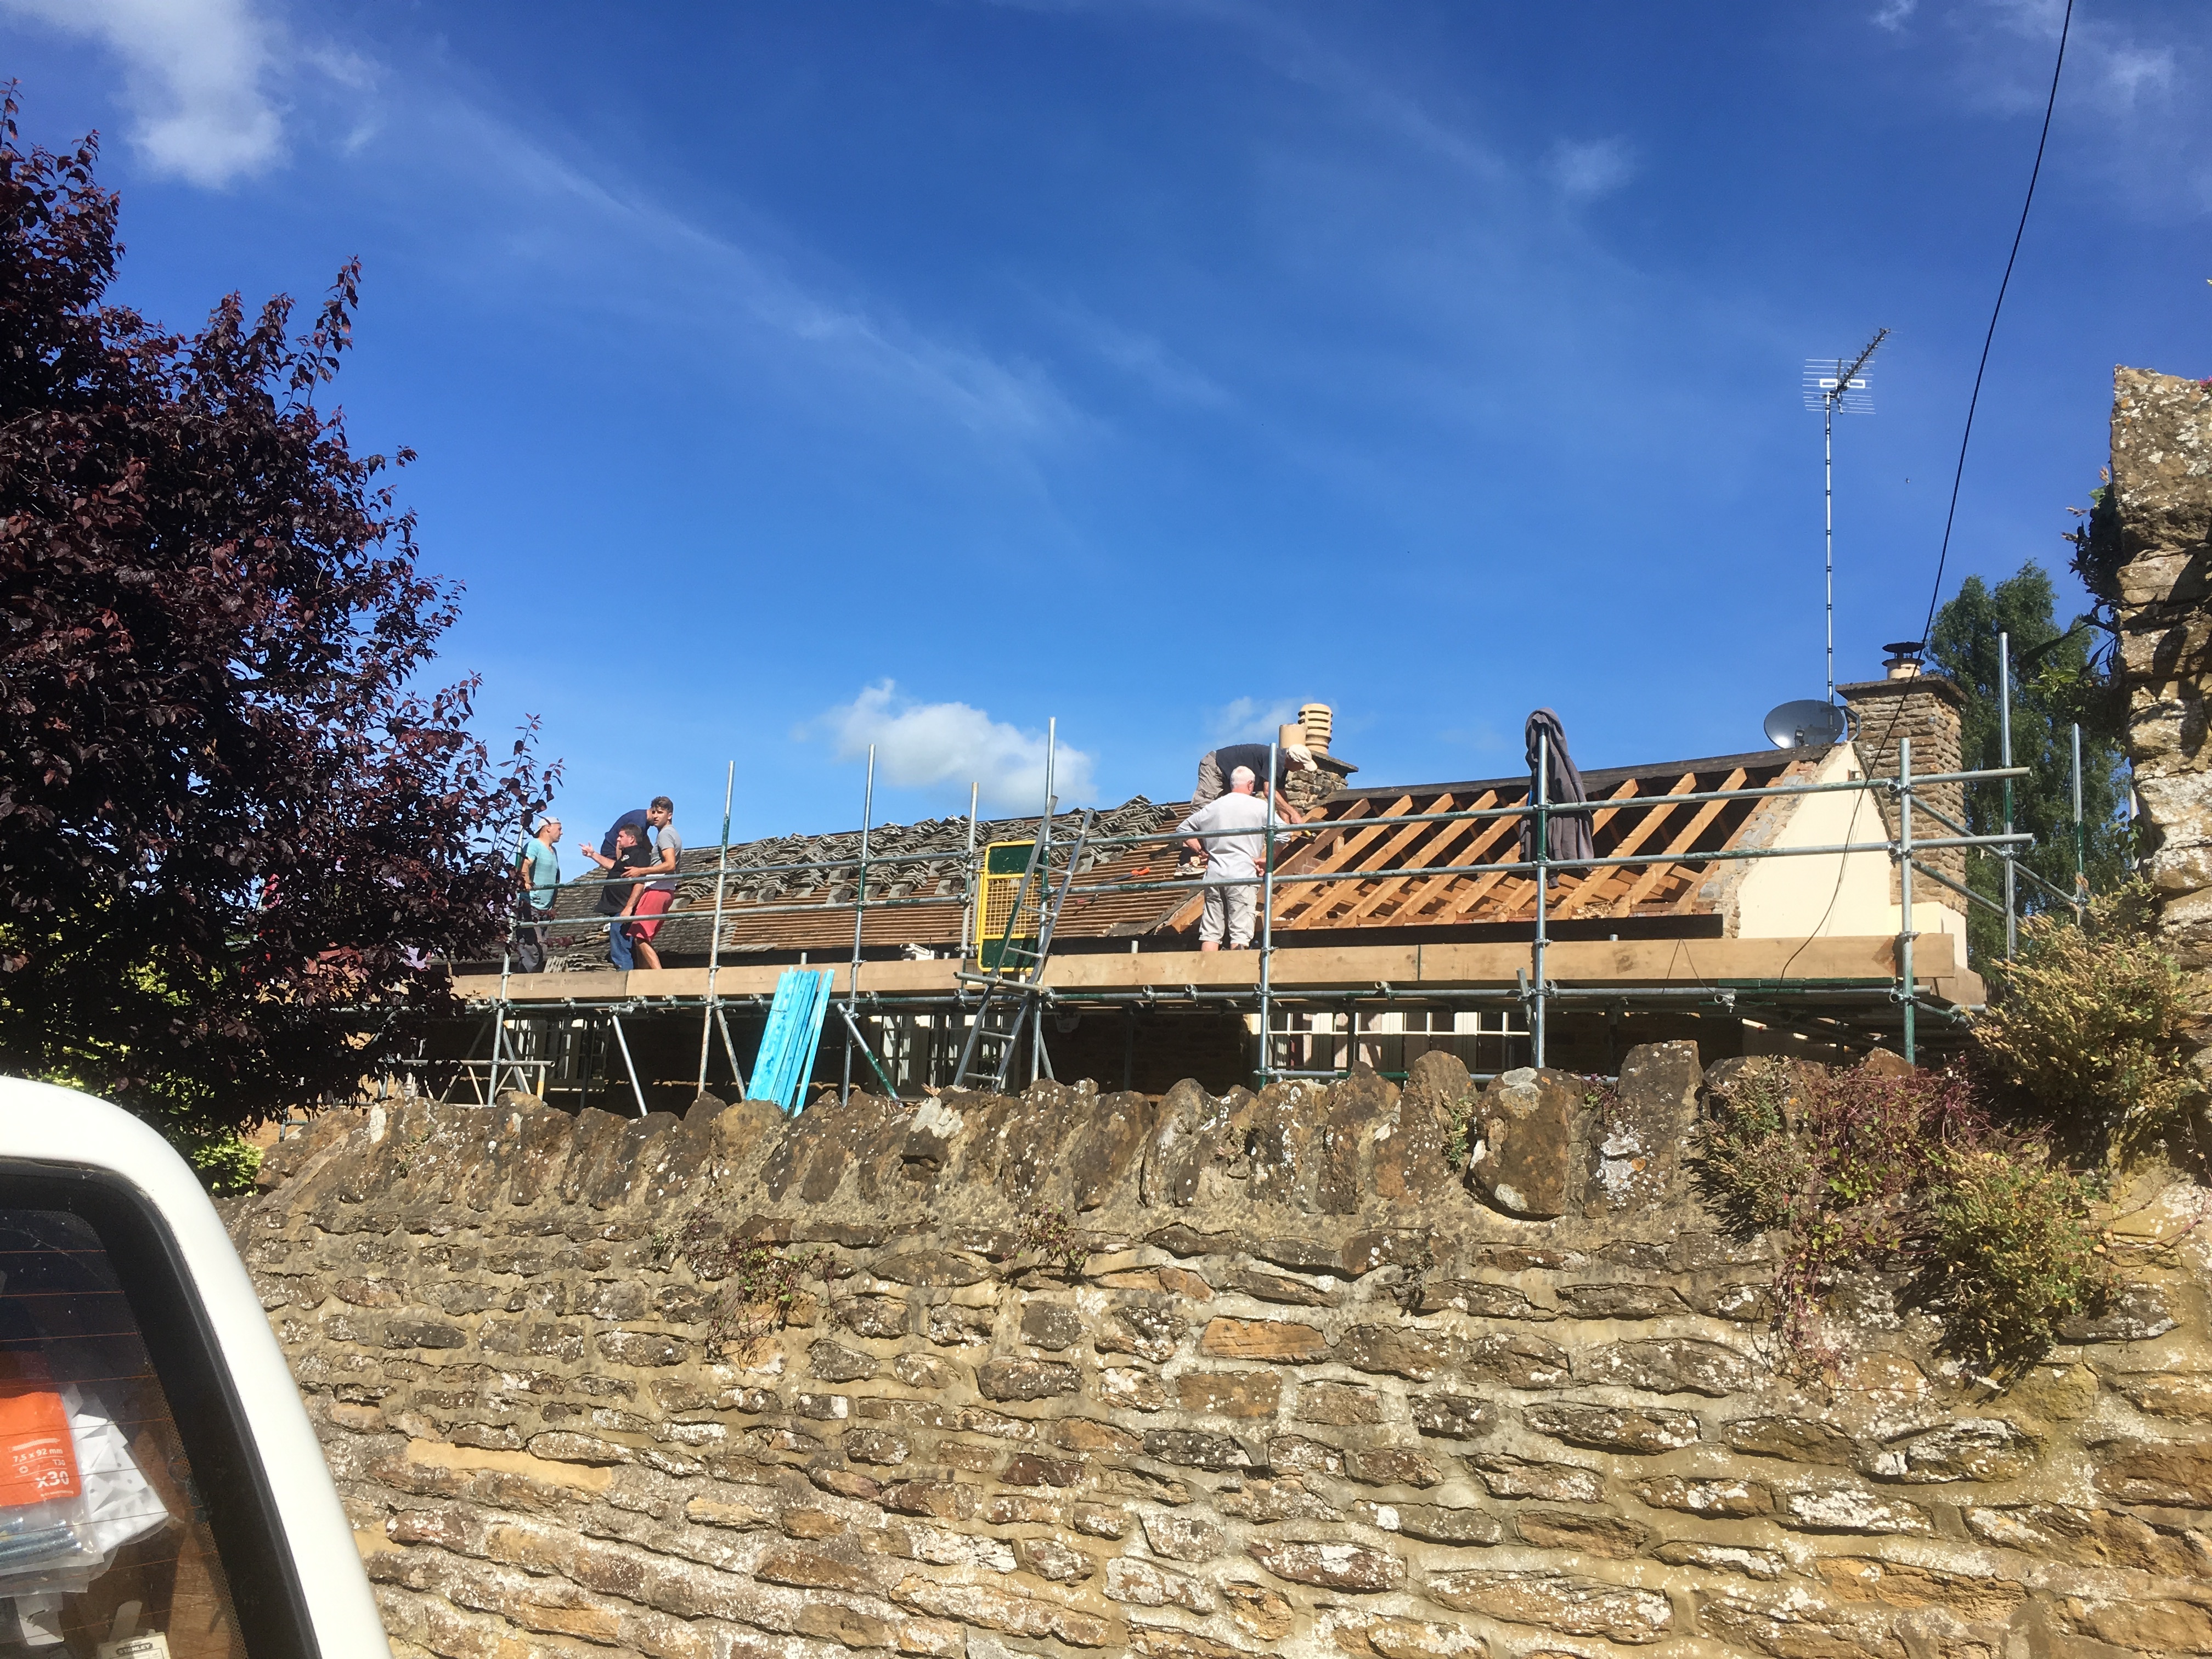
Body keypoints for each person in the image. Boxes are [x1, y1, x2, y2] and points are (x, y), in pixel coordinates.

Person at [1175, 765, 1273, 951]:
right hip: (1242, 873)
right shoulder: (1260, 807)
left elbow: (1183, 829)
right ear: (1250, 784)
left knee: (1211, 931)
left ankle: (1206, 969)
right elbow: (1284, 834)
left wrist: (1201, 850)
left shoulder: (1213, 807)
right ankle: (1236, 969)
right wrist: (1268, 859)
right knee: (1240, 931)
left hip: (1215, 874)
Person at [1183, 742, 1312, 874]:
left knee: (1226, 816)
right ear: (1293, 760)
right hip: (1217, 767)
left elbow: (1280, 795)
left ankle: (1205, 859)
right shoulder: (1275, 758)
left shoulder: (1282, 766)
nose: (1302, 768)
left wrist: (1286, 826)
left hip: (1230, 777)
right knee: (1203, 811)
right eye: (1302, 765)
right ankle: (1185, 862)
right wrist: (1294, 814)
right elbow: (1269, 792)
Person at [578, 822, 652, 970]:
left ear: (631, 839)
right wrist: (593, 855)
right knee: (619, 945)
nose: (618, 839)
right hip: (617, 908)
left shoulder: (640, 854)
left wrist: (629, 907)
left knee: (621, 948)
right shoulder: (626, 856)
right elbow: (612, 866)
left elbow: (640, 883)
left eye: (621, 836)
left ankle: (624, 977)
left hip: (623, 908)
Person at [623, 796, 683, 972]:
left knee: (640, 937)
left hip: (657, 889)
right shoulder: (670, 834)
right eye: (654, 812)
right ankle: (644, 979)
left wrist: (640, 871)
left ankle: (659, 976)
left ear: (669, 815)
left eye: (661, 812)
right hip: (664, 890)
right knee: (642, 939)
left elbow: (670, 865)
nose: (656, 816)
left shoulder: (666, 834)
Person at [512, 816, 561, 973]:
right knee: (532, 947)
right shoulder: (534, 845)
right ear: (548, 828)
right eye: (559, 829)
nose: (562, 833)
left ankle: (528, 979)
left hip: (545, 908)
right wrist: (526, 882)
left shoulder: (553, 851)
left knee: (542, 948)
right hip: (530, 905)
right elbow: (525, 864)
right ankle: (523, 981)